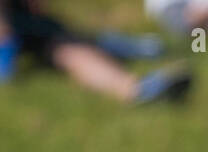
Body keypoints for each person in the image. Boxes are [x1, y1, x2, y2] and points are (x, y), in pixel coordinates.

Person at [0, 1, 191, 102]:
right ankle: (135, 90)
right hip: (23, 31)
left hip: (28, 24)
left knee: (69, 40)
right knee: (69, 50)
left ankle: (138, 52)